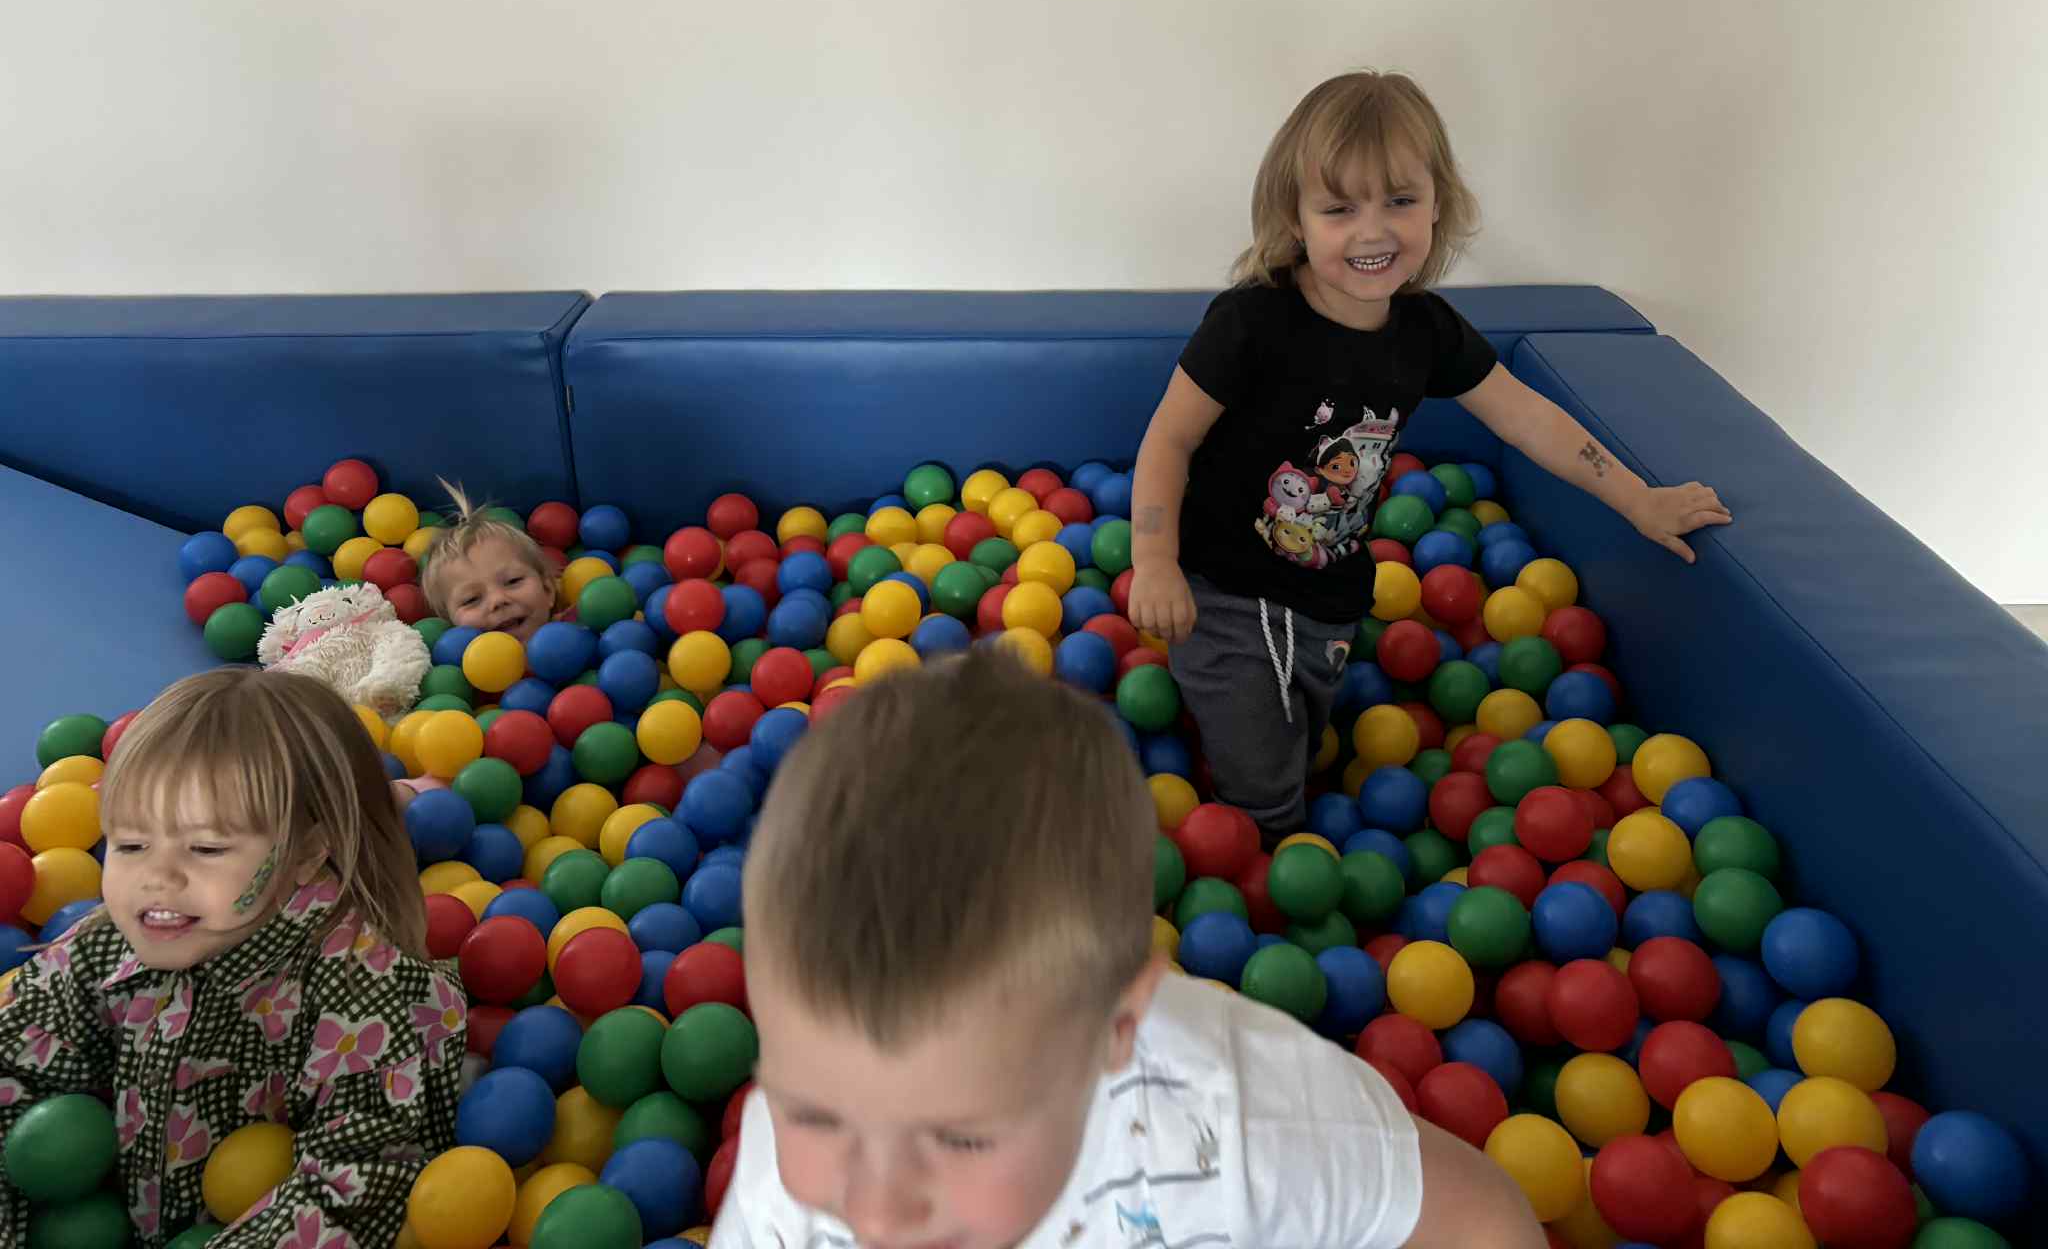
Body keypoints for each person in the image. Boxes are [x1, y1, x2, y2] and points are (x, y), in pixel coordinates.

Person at [709, 650, 1544, 1248]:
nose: (877, 1214)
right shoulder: (783, 1190)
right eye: (814, 1114)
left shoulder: (1238, 1129)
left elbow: (1480, 1223)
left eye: (961, 1138)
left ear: (1115, 1026)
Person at [1127, 70, 1731, 842]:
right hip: (1228, 591)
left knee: (1305, 738)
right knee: (1266, 792)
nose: (1373, 231)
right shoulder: (1252, 322)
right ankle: (1267, 846)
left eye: (1400, 201)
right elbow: (1169, 439)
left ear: (1438, 203)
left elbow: (1529, 418)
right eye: (1340, 209)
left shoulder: (1426, 332)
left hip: (1329, 593)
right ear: (1294, 218)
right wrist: (1155, 563)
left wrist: (1639, 498)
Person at [0, 667, 466, 1246]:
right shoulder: (104, 947)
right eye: (131, 843)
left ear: (306, 853)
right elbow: (13, 1064)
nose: (156, 878)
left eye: (206, 848)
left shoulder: (361, 993)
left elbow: (358, 1187)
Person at [418, 480, 563, 642]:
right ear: (452, 625)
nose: (498, 600)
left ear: (548, 590)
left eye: (513, 581)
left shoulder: (577, 631)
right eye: (471, 599)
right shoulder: (453, 657)